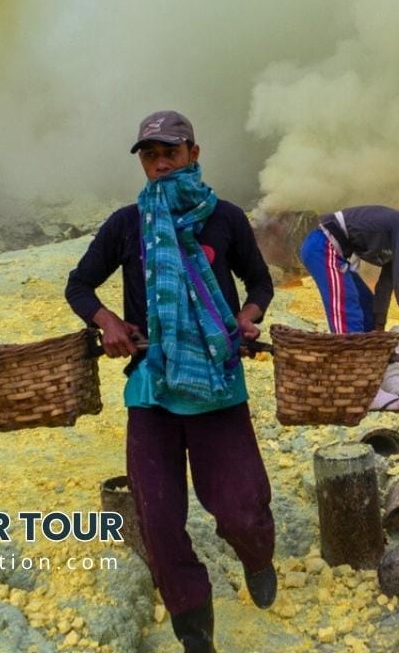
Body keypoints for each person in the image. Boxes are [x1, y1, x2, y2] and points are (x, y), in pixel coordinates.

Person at [65, 111, 277, 653]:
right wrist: (108, 322)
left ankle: (256, 554)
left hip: (218, 384)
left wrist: (248, 315)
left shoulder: (225, 218)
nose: (160, 162)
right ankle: (194, 629)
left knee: (239, 508)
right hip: (153, 389)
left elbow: (259, 282)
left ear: (193, 153)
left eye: (171, 151)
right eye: (149, 153)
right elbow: (80, 285)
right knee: (158, 519)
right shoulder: (125, 225)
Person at [298, 205, 399, 410]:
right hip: (324, 246)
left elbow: (387, 284)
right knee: (347, 314)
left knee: (366, 308)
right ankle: (359, 390)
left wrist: (378, 328)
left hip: (336, 252)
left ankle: (367, 379)